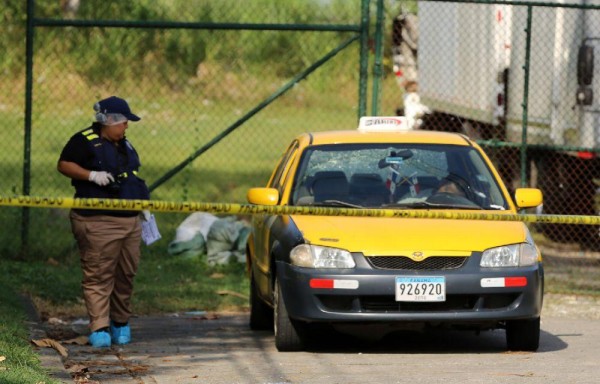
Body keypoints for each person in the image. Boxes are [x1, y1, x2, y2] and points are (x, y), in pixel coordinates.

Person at [57, 96, 150, 348]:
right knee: (99, 274)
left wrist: (143, 206)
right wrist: (91, 175)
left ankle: (121, 323)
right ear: (108, 121)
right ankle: (99, 327)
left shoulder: (124, 145)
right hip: (97, 221)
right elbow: (63, 165)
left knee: (126, 274)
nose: (126, 127)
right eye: (123, 122)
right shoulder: (83, 141)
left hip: (130, 221)